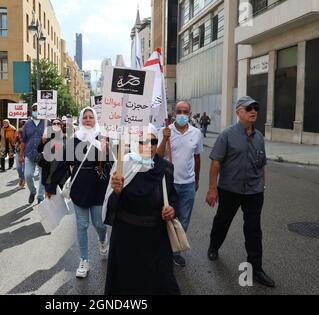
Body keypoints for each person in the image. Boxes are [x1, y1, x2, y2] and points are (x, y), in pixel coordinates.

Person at [102, 124, 181, 295]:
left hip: (156, 241)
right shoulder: (123, 167)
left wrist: (172, 210)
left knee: (160, 283)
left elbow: (173, 197)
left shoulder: (166, 168)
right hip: (126, 241)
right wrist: (117, 192)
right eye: (143, 141)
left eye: (153, 141)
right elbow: (111, 207)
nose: (149, 145)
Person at [206, 96, 275, 288]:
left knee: (253, 229)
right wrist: (212, 189)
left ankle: (257, 268)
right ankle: (213, 246)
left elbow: (263, 165)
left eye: (256, 108)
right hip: (230, 190)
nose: (253, 111)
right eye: (249, 108)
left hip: (254, 192)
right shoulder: (226, 135)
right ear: (239, 112)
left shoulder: (260, 137)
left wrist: (263, 186)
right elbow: (215, 162)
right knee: (222, 221)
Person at [45, 107, 112, 279]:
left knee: (99, 223)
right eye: (85, 117)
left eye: (91, 117)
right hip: (79, 186)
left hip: (99, 187)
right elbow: (61, 164)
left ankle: (103, 240)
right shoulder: (74, 140)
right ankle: (84, 260)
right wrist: (51, 186)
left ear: (95, 119)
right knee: (82, 225)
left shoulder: (103, 138)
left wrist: (106, 150)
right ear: (81, 120)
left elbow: (111, 165)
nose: (88, 120)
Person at [157, 101, 203, 267]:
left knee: (183, 219)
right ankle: (162, 248)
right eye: (179, 111)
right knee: (165, 218)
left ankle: (174, 251)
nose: (182, 114)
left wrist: (196, 180)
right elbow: (158, 156)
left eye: (185, 111)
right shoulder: (164, 131)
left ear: (190, 114)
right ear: (173, 113)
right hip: (168, 184)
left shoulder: (196, 133)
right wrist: (164, 139)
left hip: (188, 184)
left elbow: (197, 157)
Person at [20, 104, 48, 204]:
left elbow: (54, 138)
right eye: (34, 109)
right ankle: (33, 191)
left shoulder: (46, 122)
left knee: (42, 177)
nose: (36, 111)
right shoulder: (27, 124)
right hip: (29, 154)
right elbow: (23, 140)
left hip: (43, 155)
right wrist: (21, 155)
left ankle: (40, 196)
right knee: (27, 175)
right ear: (31, 110)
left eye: (38, 109)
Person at [37, 118, 69, 190]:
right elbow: (39, 150)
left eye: (58, 123)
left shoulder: (65, 138)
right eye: (54, 124)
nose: (56, 125)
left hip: (61, 171)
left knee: (59, 197)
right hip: (48, 170)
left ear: (62, 126)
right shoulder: (46, 137)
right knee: (49, 196)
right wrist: (42, 141)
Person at [15, 120, 27, 189]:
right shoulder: (18, 131)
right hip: (18, 151)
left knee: (25, 168)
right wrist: (16, 135)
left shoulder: (30, 132)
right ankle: (21, 178)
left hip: (27, 152)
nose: (23, 126)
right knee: (18, 167)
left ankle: (24, 182)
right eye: (22, 125)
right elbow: (14, 142)